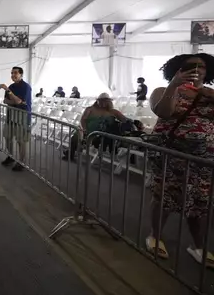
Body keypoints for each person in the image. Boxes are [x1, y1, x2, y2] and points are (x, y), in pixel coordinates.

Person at [145, 53, 214, 265]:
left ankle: (198, 246)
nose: (196, 69)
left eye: (201, 66)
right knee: (164, 198)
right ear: (177, 69)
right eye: (189, 66)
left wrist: (206, 95)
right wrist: (174, 85)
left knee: (199, 203)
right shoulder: (162, 91)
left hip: (203, 160)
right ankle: (155, 236)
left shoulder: (210, 95)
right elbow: (164, 112)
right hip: (171, 155)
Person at [62, 93, 132, 161]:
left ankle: (74, 149)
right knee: (76, 135)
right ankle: (71, 153)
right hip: (87, 130)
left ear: (109, 102)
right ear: (97, 101)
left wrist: (133, 122)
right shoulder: (90, 109)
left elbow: (125, 119)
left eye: (105, 101)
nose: (103, 103)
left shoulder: (113, 112)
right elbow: (82, 120)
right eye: (101, 101)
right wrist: (84, 129)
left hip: (101, 134)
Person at [0, 66, 32, 172]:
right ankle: (11, 156)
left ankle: (21, 162)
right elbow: (5, 101)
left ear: (21, 74)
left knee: (21, 141)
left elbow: (19, 102)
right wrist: (16, 101)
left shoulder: (26, 87)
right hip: (11, 116)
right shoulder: (12, 86)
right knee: (8, 137)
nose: (13, 75)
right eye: (12, 73)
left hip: (22, 117)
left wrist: (8, 91)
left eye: (15, 73)